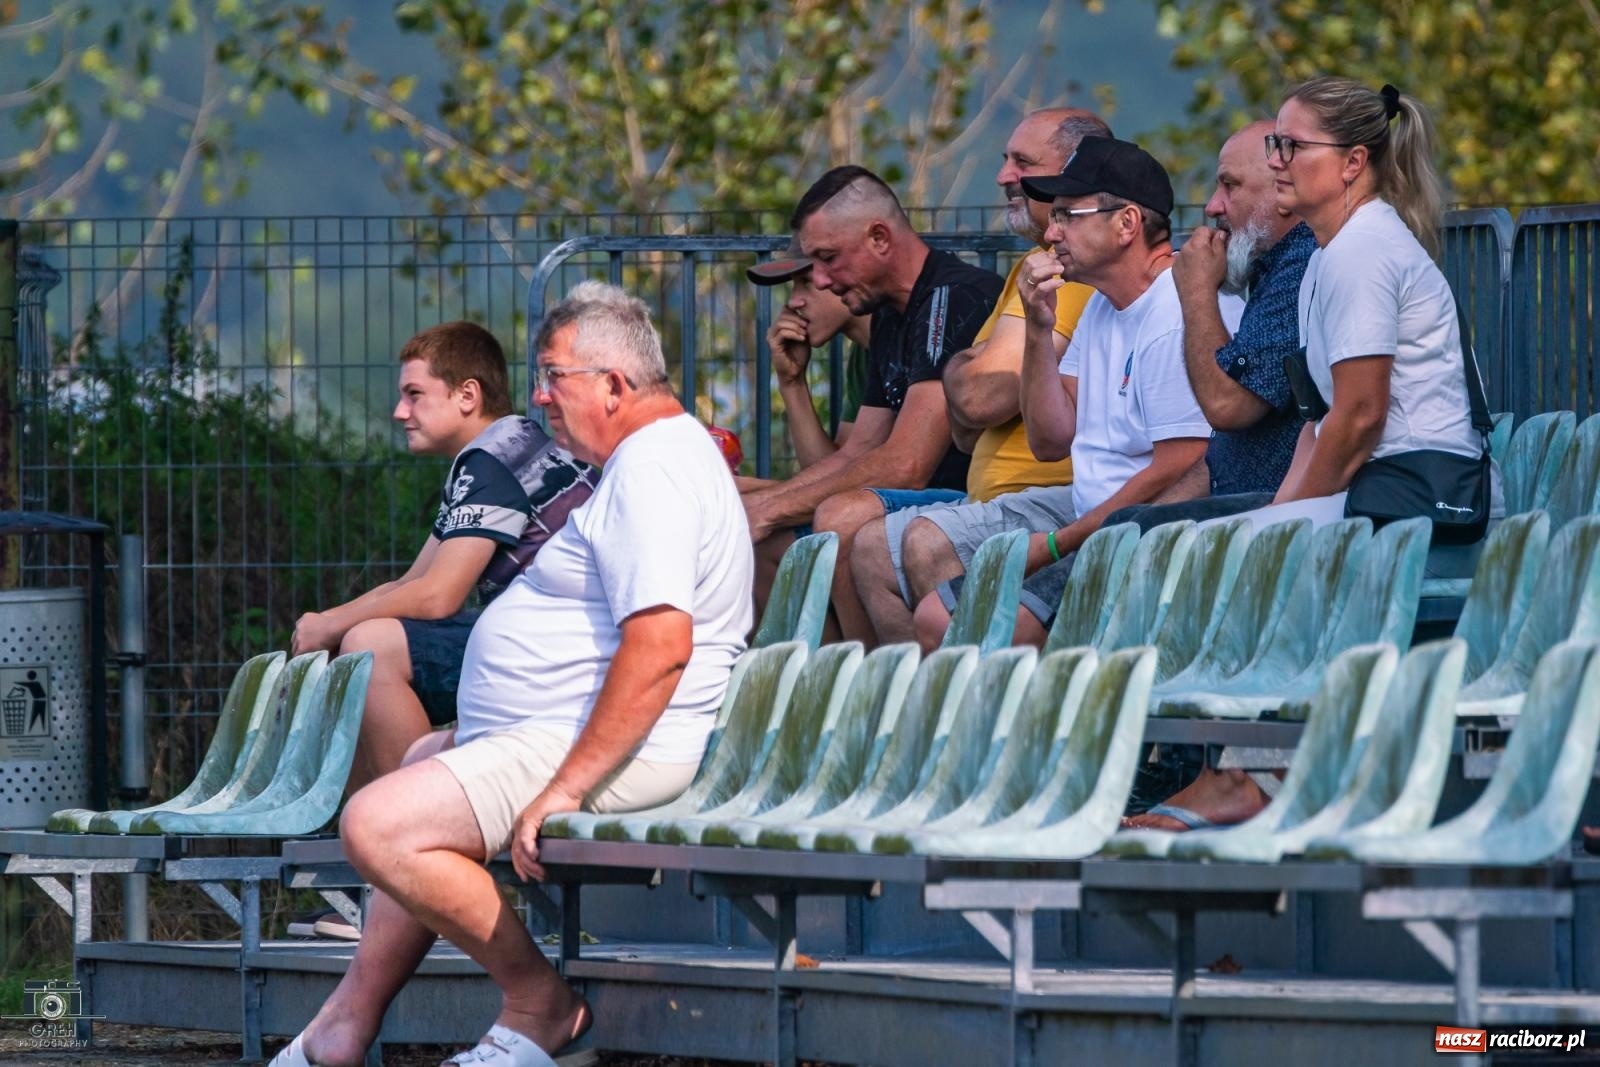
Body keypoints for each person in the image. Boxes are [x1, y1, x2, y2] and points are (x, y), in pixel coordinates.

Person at [269, 282, 753, 1067]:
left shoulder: (655, 470)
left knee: (377, 824)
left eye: (552, 374)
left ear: (614, 384)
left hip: (615, 746)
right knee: (423, 763)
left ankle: (542, 1007)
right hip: (561, 730)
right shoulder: (646, 460)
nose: (537, 396)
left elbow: (661, 645)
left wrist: (563, 787)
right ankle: (343, 1025)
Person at [1126, 78, 1501, 832]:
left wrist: (1287, 526)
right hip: (1378, 488)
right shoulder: (1328, 257)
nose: (1279, 161)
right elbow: (1315, 424)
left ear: (1354, 161)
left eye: (1293, 146)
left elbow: (1360, 418)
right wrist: (1279, 513)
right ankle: (1231, 768)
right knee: (1216, 542)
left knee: (1239, 551)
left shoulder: (1364, 249)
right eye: (1276, 144)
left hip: (1425, 494)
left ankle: (1250, 775)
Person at [900, 137, 1243, 650]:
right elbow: (1051, 439)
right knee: (935, 614)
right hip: (1098, 522)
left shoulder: (1176, 310)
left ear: (1126, 224)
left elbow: (1184, 465)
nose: (1051, 232)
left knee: (959, 623)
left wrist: (1059, 544)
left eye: (1068, 215)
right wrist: (1038, 328)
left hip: (1150, 534)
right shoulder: (1104, 305)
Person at [291, 322, 595, 794]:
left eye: (414, 394)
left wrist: (333, 626)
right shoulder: (505, 447)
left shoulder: (491, 461)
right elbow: (415, 580)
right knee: (351, 642)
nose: (399, 412)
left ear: (467, 395)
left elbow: (437, 597)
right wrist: (327, 621)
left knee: (370, 647)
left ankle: (419, 811)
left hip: (554, 648)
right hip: (543, 633)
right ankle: (351, 823)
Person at [849, 107, 1111, 646]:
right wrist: (966, 377)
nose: (1003, 176)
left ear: (1074, 171)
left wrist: (969, 377)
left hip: (1048, 495)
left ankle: (980, 713)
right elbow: (965, 410)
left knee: (916, 539)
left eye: (1022, 162)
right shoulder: (1031, 265)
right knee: (870, 546)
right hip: (997, 498)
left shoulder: (1069, 269)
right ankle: (916, 708)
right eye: (1005, 160)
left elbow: (982, 398)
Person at [741, 165, 1002, 639]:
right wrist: (760, 510)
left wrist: (771, 506)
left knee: (842, 516)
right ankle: (815, 681)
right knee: (764, 537)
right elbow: (856, 454)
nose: (818, 281)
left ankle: (871, 683)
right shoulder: (890, 315)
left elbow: (906, 466)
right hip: (920, 505)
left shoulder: (954, 296)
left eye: (827, 259)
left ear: (880, 237)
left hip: (978, 504)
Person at [744, 236, 871, 475]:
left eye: (805, 282)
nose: (793, 302)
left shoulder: (910, 335)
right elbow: (829, 476)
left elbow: (838, 484)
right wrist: (792, 382)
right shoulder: (862, 355)